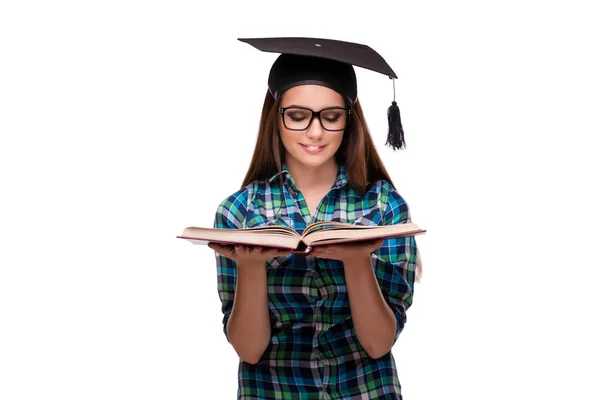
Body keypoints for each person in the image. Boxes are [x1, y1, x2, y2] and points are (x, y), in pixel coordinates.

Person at [208, 37, 422, 399]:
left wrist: (357, 261)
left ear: (349, 121)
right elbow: (249, 350)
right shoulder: (239, 211)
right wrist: (250, 266)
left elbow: (378, 344)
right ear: (274, 119)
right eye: (297, 116)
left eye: (331, 117)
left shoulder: (385, 208)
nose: (315, 132)